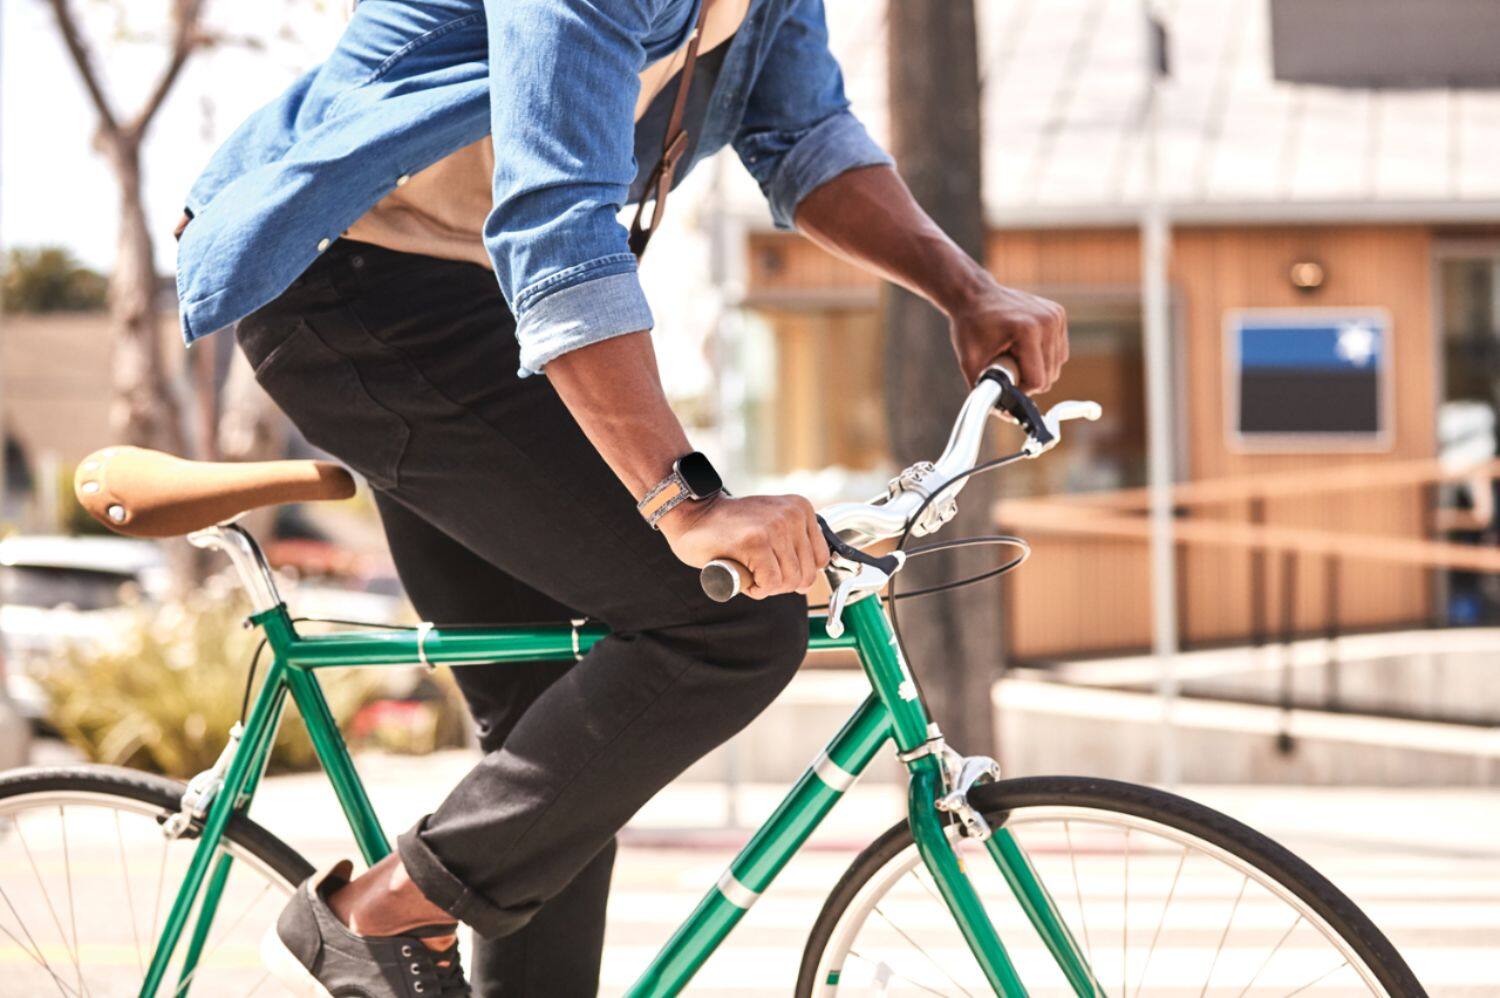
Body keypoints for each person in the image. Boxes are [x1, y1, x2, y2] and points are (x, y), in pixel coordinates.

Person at [175, 0, 1069, 993]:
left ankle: (404, 919)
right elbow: (555, 215)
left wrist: (962, 287)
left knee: (559, 739)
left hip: (478, 304)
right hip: (344, 282)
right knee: (728, 617)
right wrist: (682, 503)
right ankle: (370, 915)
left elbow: (807, 138)